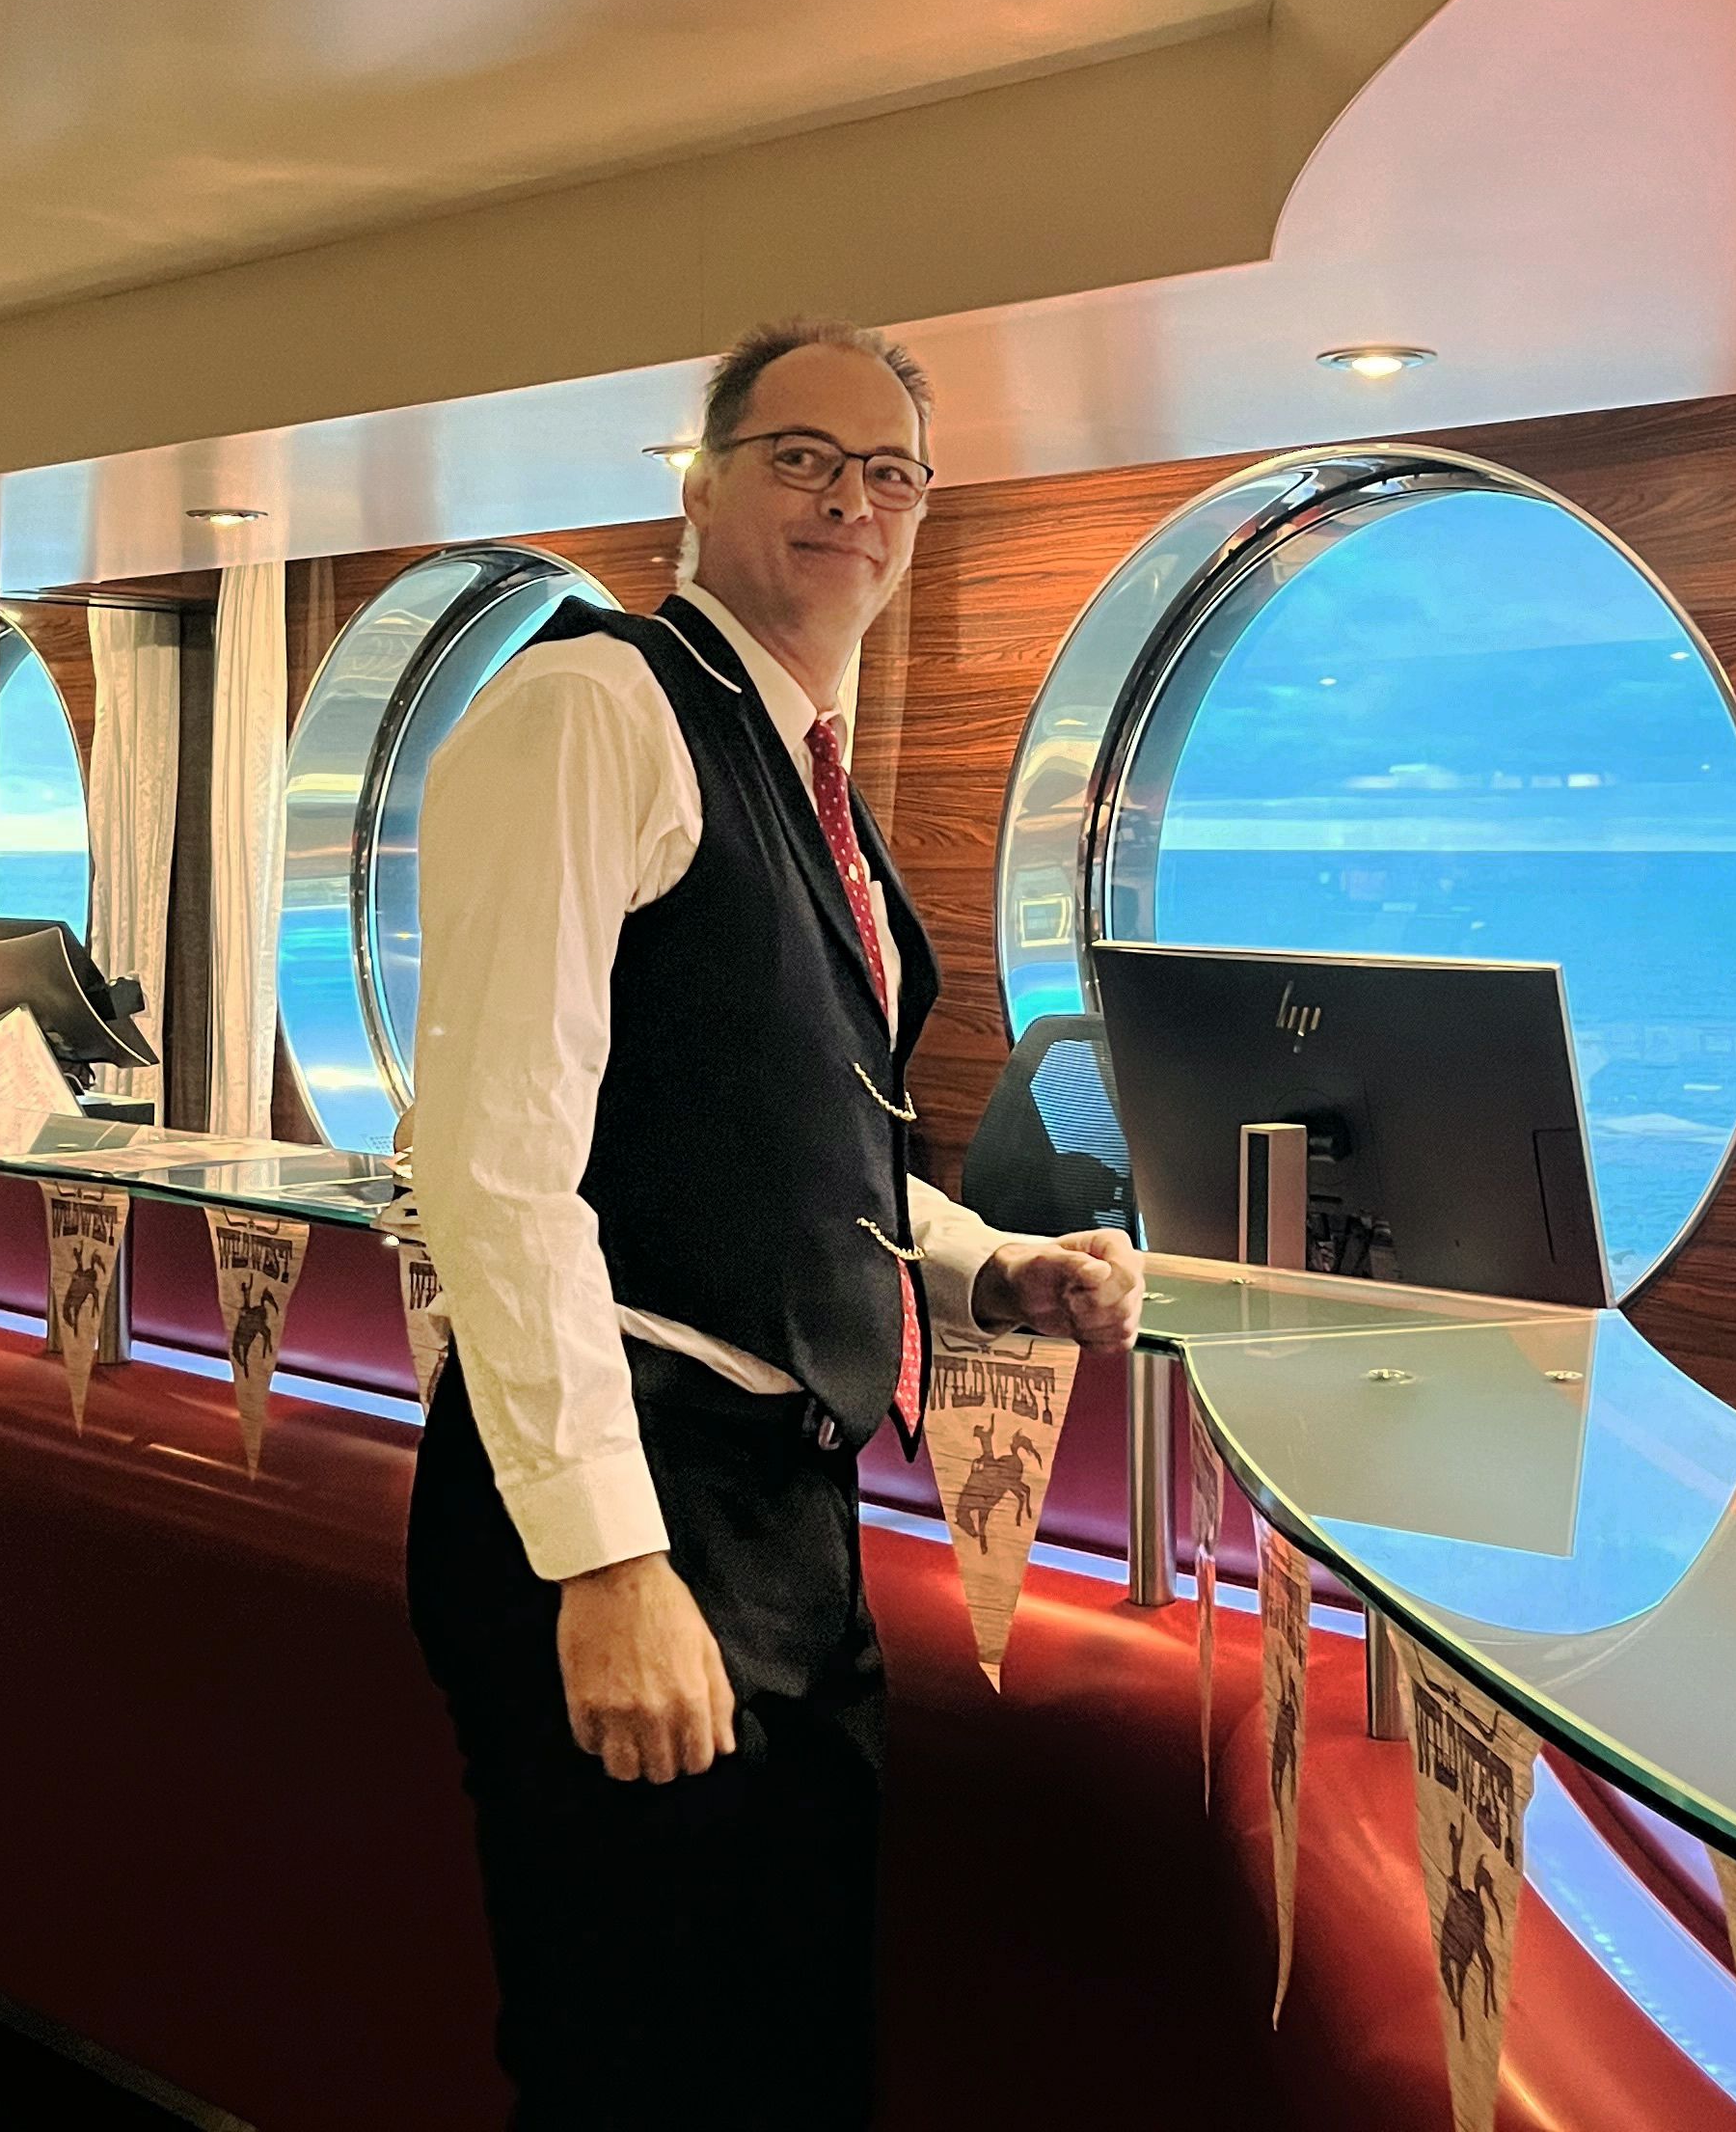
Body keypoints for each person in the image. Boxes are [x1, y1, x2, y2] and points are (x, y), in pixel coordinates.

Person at [401, 316, 1145, 2128]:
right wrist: (605, 1561)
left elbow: (797, 1124)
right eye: (802, 457)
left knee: (783, 2053)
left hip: (785, 1503)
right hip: (634, 1486)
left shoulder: (797, 767)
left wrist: (991, 1267)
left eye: (887, 471)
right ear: (704, 482)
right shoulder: (599, 706)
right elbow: (494, 1162)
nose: (851, 500)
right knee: (635, 2065)